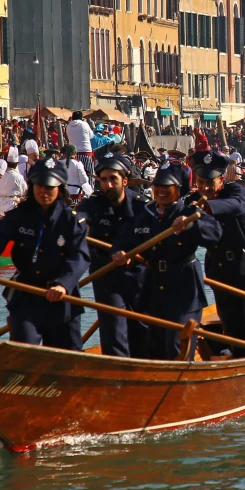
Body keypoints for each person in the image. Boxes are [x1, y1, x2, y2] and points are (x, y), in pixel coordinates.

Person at [0, 158, 90, 349]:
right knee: (24, 351)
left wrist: (63, 284)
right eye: (39, 185)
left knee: (67, 357)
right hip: (26, 294)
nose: (43, 191)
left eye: (49, 187)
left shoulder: (71, 221)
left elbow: (80, 257)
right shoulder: (20, 215)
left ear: (59, 188)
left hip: (61, 297)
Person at [113, 161, 220, 360]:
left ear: (178, 189)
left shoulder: (188, 213)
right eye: (157, 186)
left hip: (183, 289)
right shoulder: (145, 214)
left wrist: (190, 226)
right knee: (155, 346)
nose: (161, 191)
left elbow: (214, 234)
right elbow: (124, 239)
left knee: (177, 346)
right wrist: (119, 252)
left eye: (166, 187)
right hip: (154, 287)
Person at [191, 152, 245, 357]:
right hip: (220, 269)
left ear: (221, 180)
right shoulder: (192, 199)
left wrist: (206, 207)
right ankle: (237, 359)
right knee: (231, 326)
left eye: (210, 183)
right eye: (200, 182)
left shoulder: (236, 191)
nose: (205, 188)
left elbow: (235, 205)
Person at [77, 151, 145, 358]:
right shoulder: (92, 204)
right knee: (114, 330)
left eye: (113, 179)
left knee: (143, 331)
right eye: (103, 180)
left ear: (125, 181)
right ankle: (118, 371)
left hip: (138, 276)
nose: (107, 185)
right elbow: (79, 220)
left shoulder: (142, 206)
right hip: (106, 274)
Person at [67, 110, 96, 180]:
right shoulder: (84, 124)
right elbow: (91, 136)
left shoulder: (68, 126)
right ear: (81, 117)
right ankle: (89, 186)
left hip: (73, 154)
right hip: (86, 152)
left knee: (75, 175)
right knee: (89, 174)